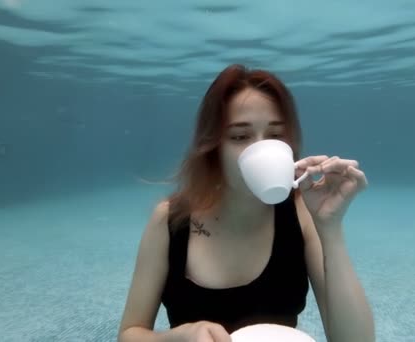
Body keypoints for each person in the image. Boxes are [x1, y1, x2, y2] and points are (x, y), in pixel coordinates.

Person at [117, 64, 375, 342]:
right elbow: (129, 334)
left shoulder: (302, 213)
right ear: (213, 146)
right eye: (240, 136)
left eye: (276, 135)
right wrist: (179, 337)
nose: (262, 149)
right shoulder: (169, 220)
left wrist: (331, 228)